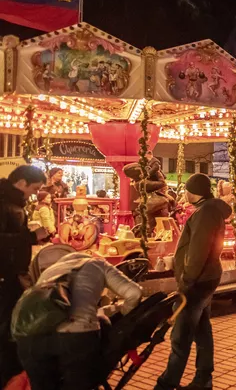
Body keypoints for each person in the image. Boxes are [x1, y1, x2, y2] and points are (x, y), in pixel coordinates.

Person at [16, 252, 142, 390]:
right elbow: (134, 293)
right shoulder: (99, 264)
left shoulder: (51, 270)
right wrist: (123, 312)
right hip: (75, 336)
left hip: (30, 337)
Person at [155, 173, 232, 390]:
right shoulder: (209, 210)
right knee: (201, 329)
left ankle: (167, 382)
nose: (185, 194)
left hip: (197, 281)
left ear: (193, 190)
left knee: (181, 333)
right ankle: (203, 378)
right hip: (206, 277)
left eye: (187, 189)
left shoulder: (206, 212)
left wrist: (187, 279)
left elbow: (199, 249)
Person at [0, 166, 50, 387]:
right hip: (5, 276)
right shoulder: (4, 204)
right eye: (34, 188)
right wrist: (30, 237)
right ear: (21, 183)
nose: (33, 194)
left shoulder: (12, 203)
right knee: (6, 323)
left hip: (11, 273)